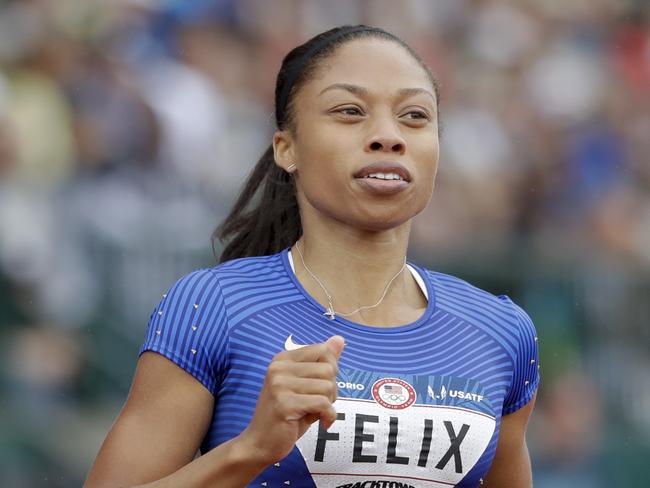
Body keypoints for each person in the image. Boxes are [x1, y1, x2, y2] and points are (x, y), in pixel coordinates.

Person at [85, 25, 540, 488]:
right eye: (350, 111)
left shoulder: (500, 333)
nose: (388, 136)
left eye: (415, 116)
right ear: (287, 148)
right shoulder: (212, 307)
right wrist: (250, 450)